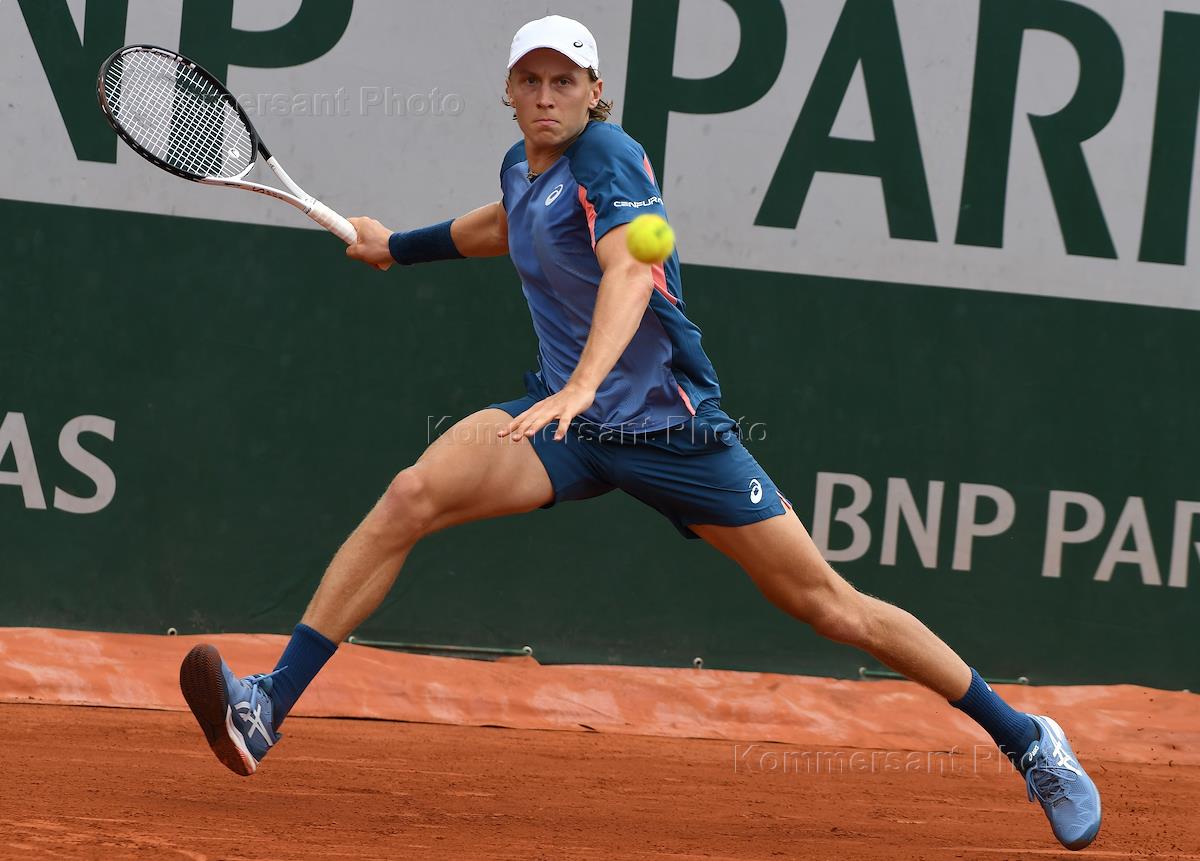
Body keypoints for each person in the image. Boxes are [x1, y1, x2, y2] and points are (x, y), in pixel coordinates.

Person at [179, 15, 1101, 851]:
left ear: (595, 92)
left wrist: (585, 383)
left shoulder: (610, 159)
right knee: (411, 494)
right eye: (531, 81)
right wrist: (400, 246)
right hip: (563, 424)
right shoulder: (523, 168)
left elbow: (627, 272)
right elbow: (506, 224)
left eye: (564, 82)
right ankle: (267, 705)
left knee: (831, 605)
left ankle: (1029, 740)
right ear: (509, 93)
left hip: (671, 433)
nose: (546, 96)